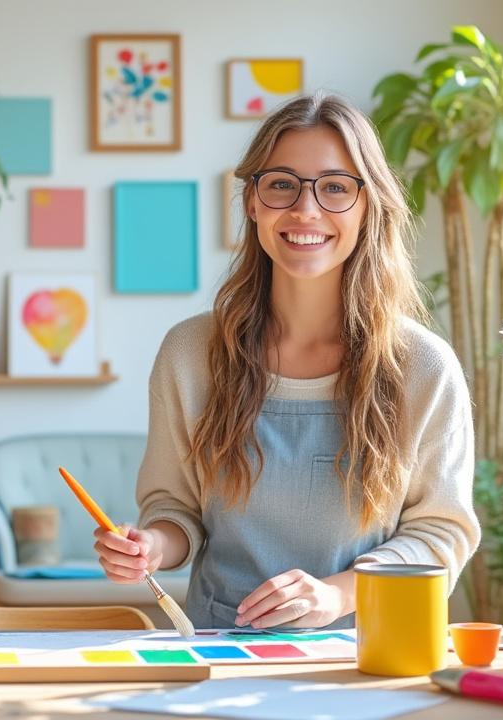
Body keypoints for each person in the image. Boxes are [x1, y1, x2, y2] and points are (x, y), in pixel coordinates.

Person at [94, 92, 480, 630]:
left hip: (370, 653)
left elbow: (442, 533)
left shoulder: (424, 367)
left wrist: (338, 595)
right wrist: (151, 546)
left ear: (369, 205)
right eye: (281, 185)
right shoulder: (189, 355)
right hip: (218, 649)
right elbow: (175, 507)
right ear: (252, 202)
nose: (305, 210)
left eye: (336, 188)